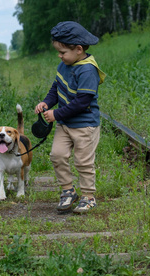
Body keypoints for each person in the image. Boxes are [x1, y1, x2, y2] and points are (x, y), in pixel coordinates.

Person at [35, 21, 106, 214]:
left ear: (78, 49)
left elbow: (82, 102)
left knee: (83, 162)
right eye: (58, 52)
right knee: (57, 155)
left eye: (62, 52)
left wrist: (56, 114)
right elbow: (56, 88)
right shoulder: (65, 64)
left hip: (84, 126)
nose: (59, 56)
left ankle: (89, 197)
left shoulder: (87, 70)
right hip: (65, 124)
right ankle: (68, 191)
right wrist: (47, 103)